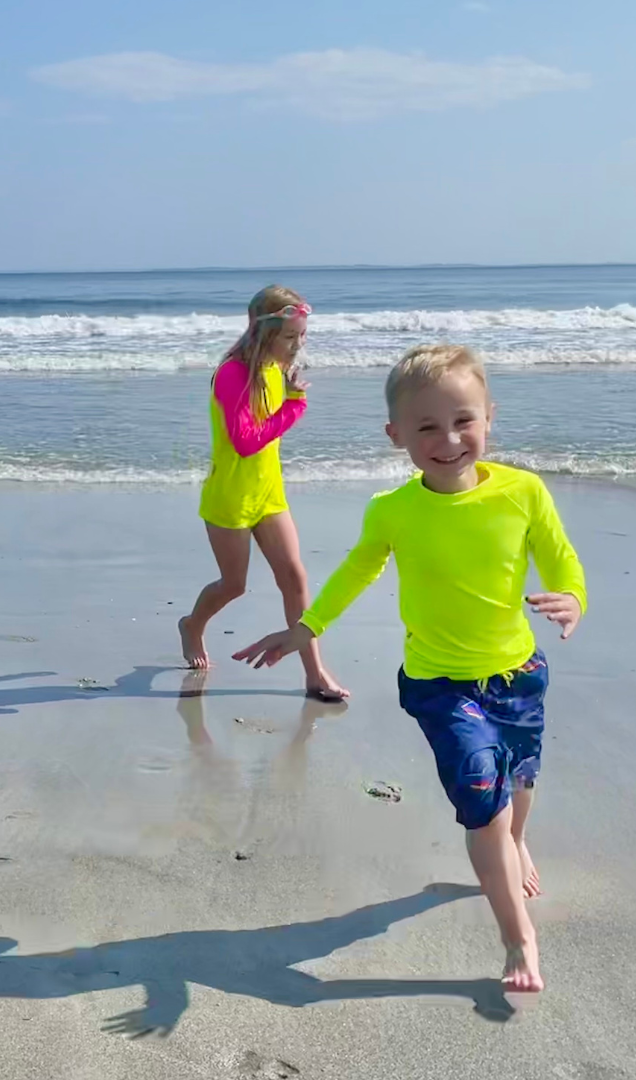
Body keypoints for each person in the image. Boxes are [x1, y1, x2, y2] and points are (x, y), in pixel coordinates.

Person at [232, 344, 587, 994]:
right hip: (440, 687)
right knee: (484, 804)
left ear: (489, 417)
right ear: (396, 435)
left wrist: (573, 597)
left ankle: (517, 842)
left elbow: (560, 558)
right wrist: (304, 629)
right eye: (426, 427)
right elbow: (355, 572)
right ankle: (518, 937)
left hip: (519, 674)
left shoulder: (524, 492)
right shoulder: (392, 511)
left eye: (462, 421)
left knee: (521, 781)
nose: (448, 439)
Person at [179, 285, 346, 702]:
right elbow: (245, 442)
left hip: (269, 493)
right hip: (230, 497)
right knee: (234, 585)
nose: (297, 345)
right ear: (262, 332)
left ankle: (314, 673)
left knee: (295, 578)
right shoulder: (233, 373)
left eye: (301, 336)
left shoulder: (276, 369)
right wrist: (292, 407)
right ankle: (192, 625)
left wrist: (289, 394)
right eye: (290, 337)